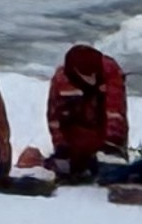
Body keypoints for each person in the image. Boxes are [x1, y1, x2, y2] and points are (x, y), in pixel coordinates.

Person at [42, 42, 129, 183]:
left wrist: (112, 143)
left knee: (110, 171)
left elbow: (115, 111)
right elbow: (54, 117)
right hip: (76, 132)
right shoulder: (61, 80)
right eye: (88, 74)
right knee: (68, 168)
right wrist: (61, 145)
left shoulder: (111, 72)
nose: (93, 77)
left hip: (104, 130)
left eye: (95, 73)